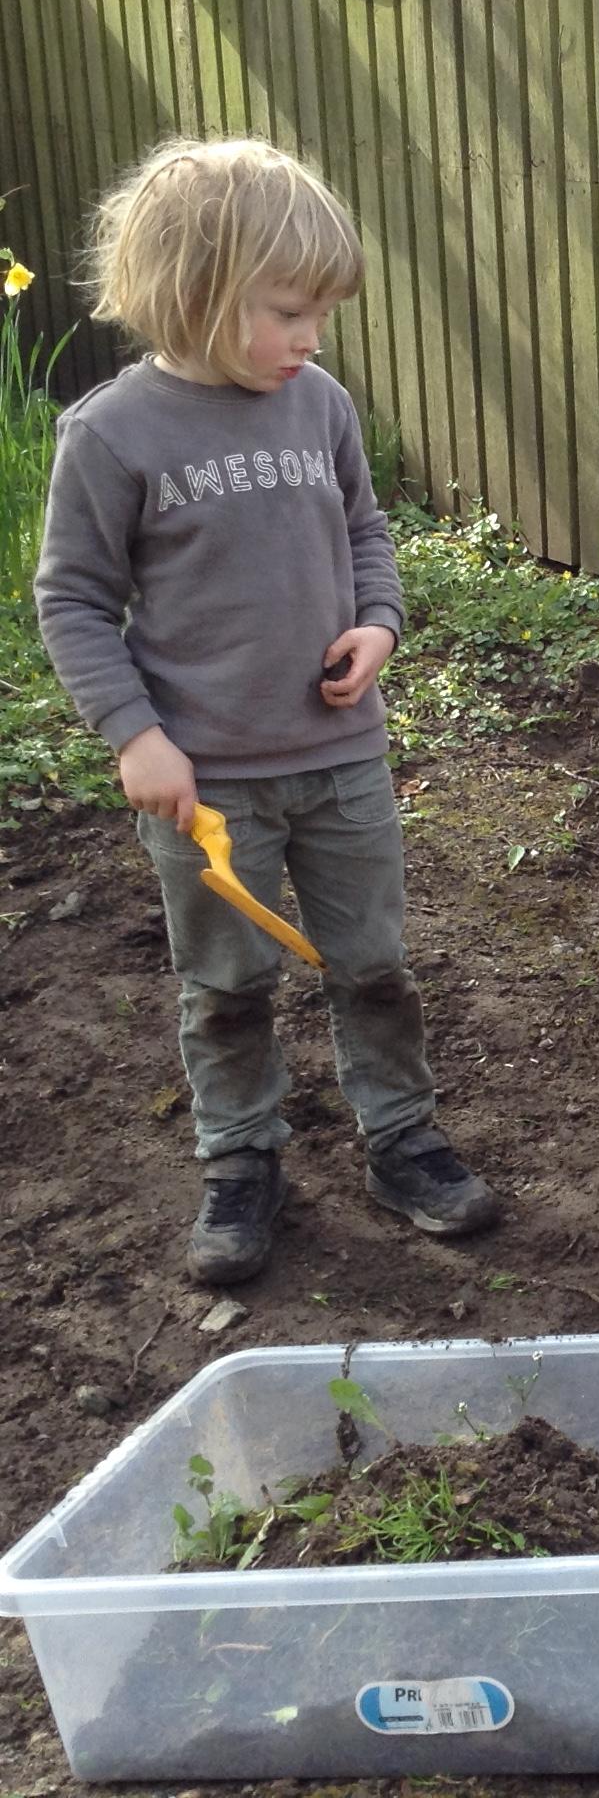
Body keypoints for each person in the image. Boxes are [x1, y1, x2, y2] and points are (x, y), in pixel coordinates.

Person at [34, 137, 500, 1286]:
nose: (313, 338)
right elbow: (75, 601)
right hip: (206, 789)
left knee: (373, 963)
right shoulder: (112, 434)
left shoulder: (318, 407)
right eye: (290, 312)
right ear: (195, 292)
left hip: (342, 761)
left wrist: (379, 623)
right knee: (228, 983)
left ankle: (401, 1136)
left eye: (320, 313)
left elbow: (364, 532)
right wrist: (137, 737)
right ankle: (241, 1155)